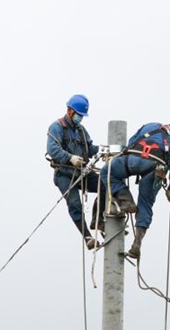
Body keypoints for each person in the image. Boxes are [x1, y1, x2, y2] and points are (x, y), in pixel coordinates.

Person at [99, 123, 170, 259]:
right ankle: (137, 244)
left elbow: (131, 143)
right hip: (156, 168)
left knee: (107, 172)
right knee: (145, 203)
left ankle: (126, 200)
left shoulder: (149, 126)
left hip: (133, 159)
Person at [46, 94, 101, 250]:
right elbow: (52, 149)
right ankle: (88, 236)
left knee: (104, 184)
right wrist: (70, 158)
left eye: (82, 116)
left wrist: (103, 150)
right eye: (79, 115)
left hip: (82, 172)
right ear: (70, 111)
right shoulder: (57, 127)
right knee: (75, 204)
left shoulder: (81, 131)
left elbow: (89, 148)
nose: (80, 118)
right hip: (64, 173)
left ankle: (99, 220)